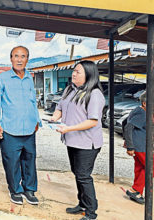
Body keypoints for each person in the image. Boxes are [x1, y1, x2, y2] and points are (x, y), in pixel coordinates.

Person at [50, 60, 105, 220]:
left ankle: (91, 212)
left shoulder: (94, 94)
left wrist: (68, 128)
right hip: (72, 140)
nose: (74, 74)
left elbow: (92, 121)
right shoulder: (70, 89)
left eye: (78, 72)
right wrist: (54, 118)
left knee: (83, 176)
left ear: (89, 75)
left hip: (87, 143)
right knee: (77, 173)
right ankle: (82, 204)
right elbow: (60, 107)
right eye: (74, 71)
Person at [0, 46, 41, 206]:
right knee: (12, 162)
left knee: (29, 160)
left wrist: (37, 120)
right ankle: (15, 190)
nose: (19, 59)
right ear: (11, 58)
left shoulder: (29, 77)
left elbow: (33, 101)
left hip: (29, 128)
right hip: (10, 129)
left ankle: (29, 189)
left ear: (27, 59)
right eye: (16, 56)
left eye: (23, 56)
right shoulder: (3, 78)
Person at [123, 91, 154, 204]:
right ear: (145, 104)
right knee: (153, 168)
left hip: (139, 145)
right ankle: (135, 190)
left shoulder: (138, 110)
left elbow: (125, 122)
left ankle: (137, 192)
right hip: (141, 146)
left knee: (140, 168)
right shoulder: (143, 114)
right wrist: (129, 146)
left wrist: (128, 142)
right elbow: (129, 127)